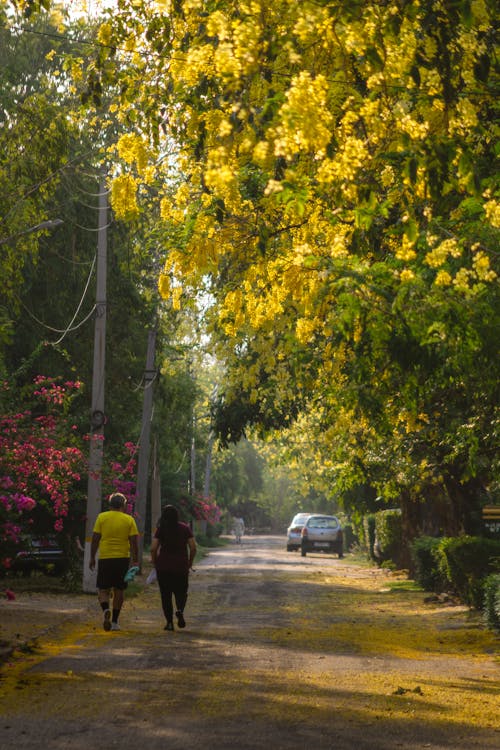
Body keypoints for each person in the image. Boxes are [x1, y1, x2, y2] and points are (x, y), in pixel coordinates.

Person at [89, 492, 139, 632]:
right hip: (122, 558)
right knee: (119, 589)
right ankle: (115, 622)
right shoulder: (129, 520)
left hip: (105, 558)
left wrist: (92, 557)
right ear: (123, 505)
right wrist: (135, 560)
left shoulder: (102, 517)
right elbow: (134, 542)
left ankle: (106, 610)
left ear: (110, 504)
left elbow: (95, 538)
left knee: (103, 589)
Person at [150, 504, 196, 631]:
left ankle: (169, 623)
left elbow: (153, 548)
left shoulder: (161, 529)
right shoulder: (185, 528)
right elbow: (193, 547)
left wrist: (154, 562)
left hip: (163, 567)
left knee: (166, 596)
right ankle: (180, 610)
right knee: (181, 592)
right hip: (181, 566)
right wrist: (190, 562)